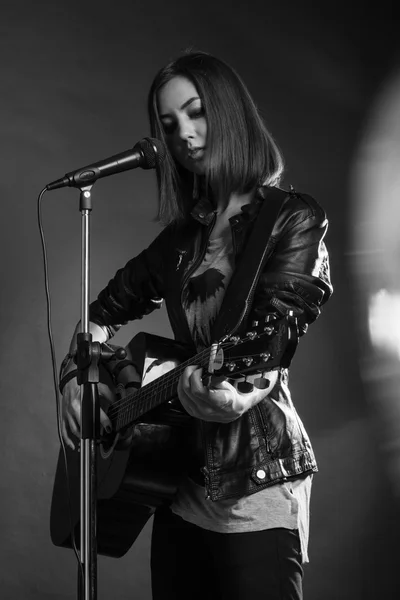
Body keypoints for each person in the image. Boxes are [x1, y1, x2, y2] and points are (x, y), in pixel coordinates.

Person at [60, 50, 333, 600]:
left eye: (195, 112)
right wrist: (75, 376)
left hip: (254, 484)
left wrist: (237, 396)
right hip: (176, 485)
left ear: (230, 110)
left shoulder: (292, 218)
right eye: (168, 124)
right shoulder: (182, 240)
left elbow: (275, 335)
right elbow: (100, 315)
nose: (183, 135)